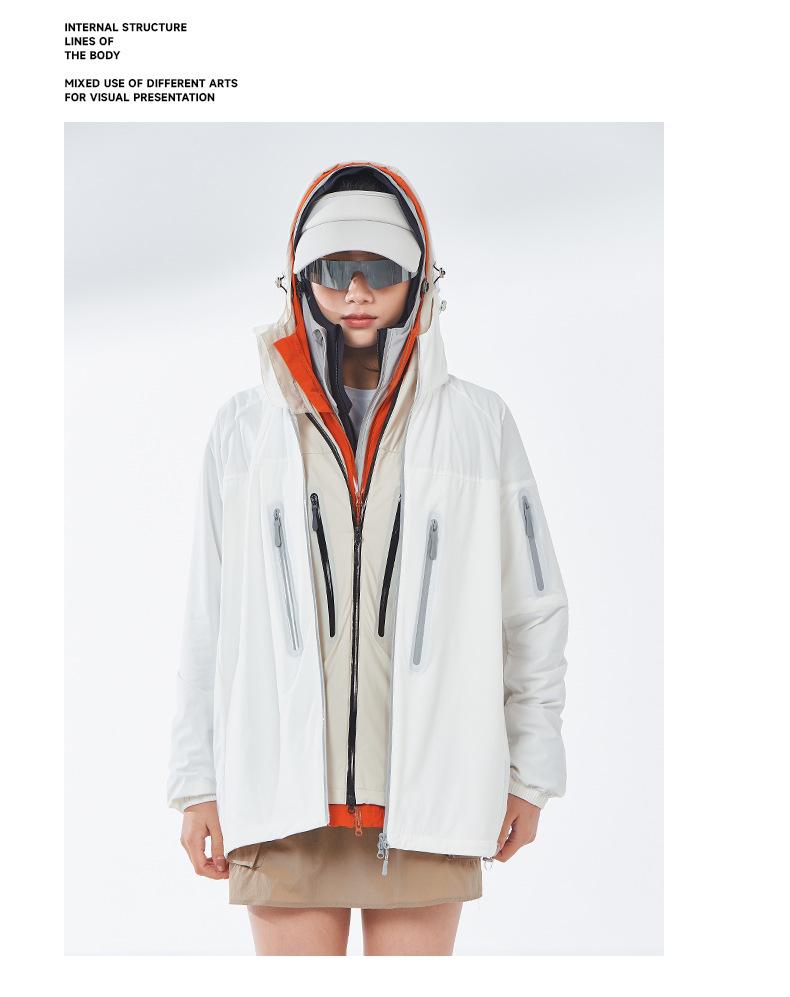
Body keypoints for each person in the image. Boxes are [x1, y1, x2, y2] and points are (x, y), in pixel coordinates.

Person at [166, 161, 569, 956]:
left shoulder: (480, 425)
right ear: (299, 277)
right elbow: (208, 618)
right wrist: (197, 780)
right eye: (333, 268)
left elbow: (534, 610)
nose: (356, 289)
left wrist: (531, 769)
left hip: (430, 796)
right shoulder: (243, 432)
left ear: (419, 276)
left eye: (379, 268)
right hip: (279, 798)